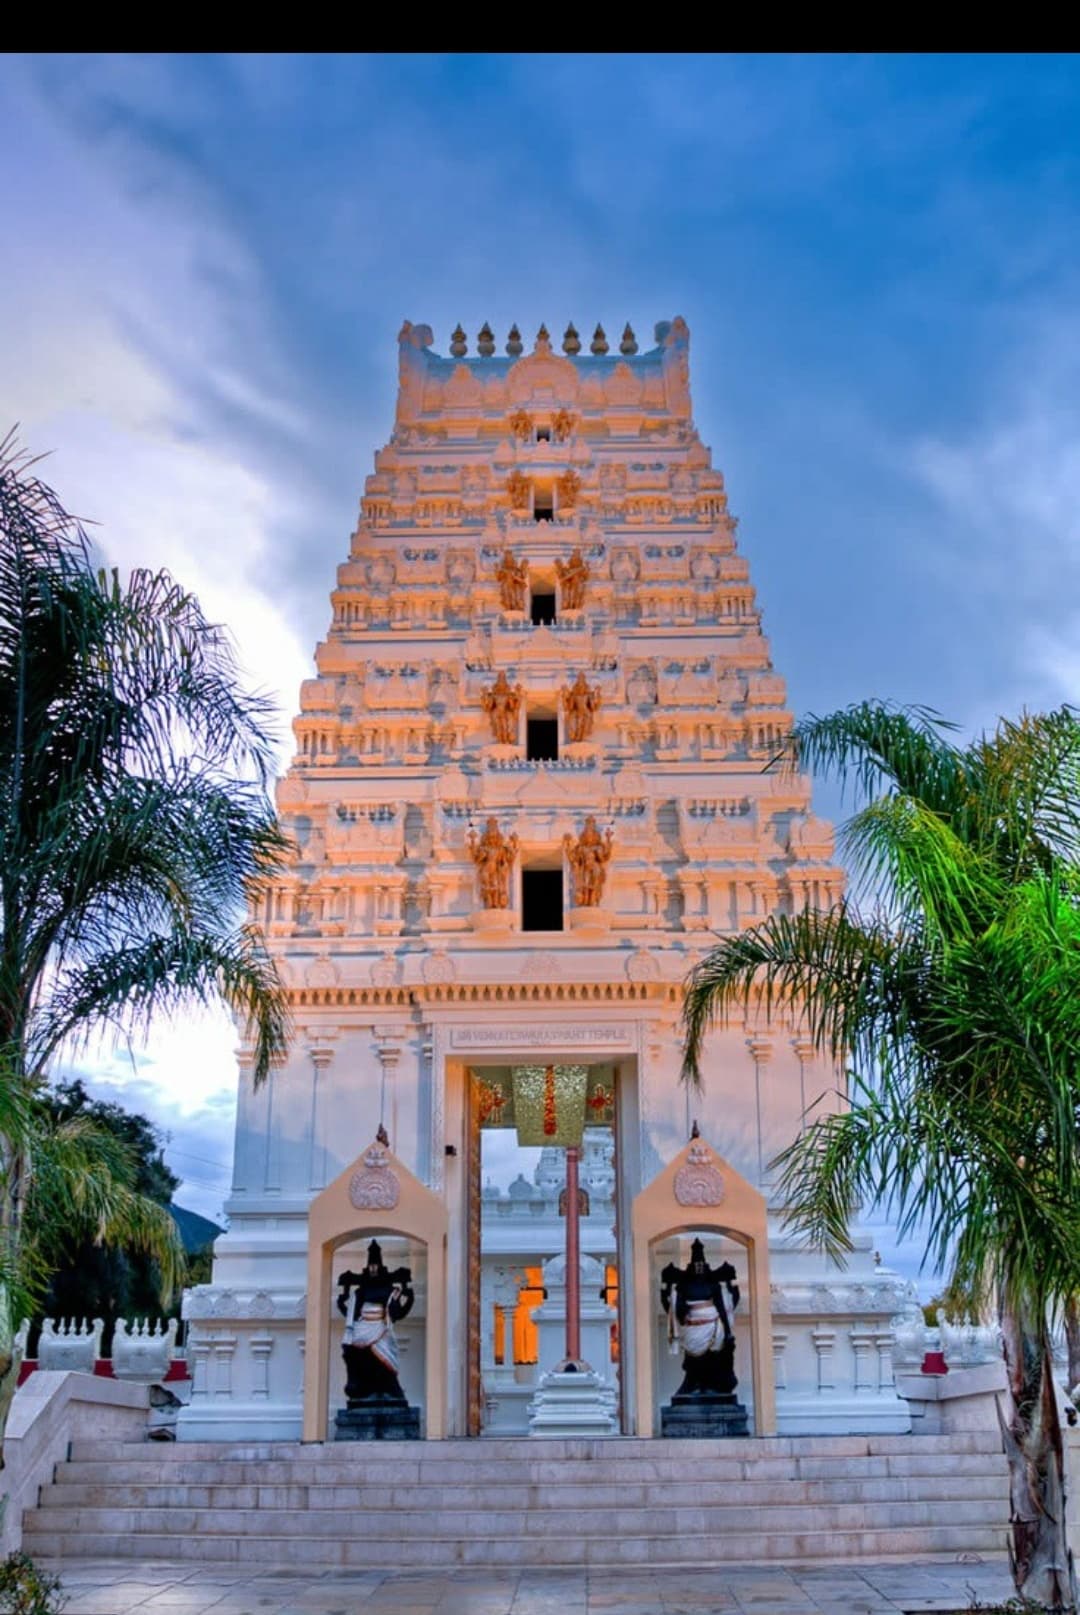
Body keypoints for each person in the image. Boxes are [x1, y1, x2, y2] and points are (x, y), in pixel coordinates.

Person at [336, 1239, 415, 1405]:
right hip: (361, 1327)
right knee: (353, 1351)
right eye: (370, 1266)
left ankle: (387, 1390)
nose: (373, 1269)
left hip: (380, 1327)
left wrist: (409, 1299)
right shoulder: (360, 1292)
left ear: (380, 1267)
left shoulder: (389, 1291)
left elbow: (396, 1313)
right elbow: (351, 1313)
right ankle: (364, 1389)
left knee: (383, 1353)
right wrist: (342, 1301)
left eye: (375, 1266)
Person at [660, 1238, 740, 1397]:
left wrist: (727, 1331)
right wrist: (682, 1310)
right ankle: (693, 1384)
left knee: (713, 1356)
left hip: (713, 1325)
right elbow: (676, 1307)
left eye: (700, 1264)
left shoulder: (713, 1285)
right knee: (694, 1359)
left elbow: (721, 1308)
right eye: (695, 1264)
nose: (698, 1268)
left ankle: (711, 1385)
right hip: (691, 1328)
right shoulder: (683, 1286)